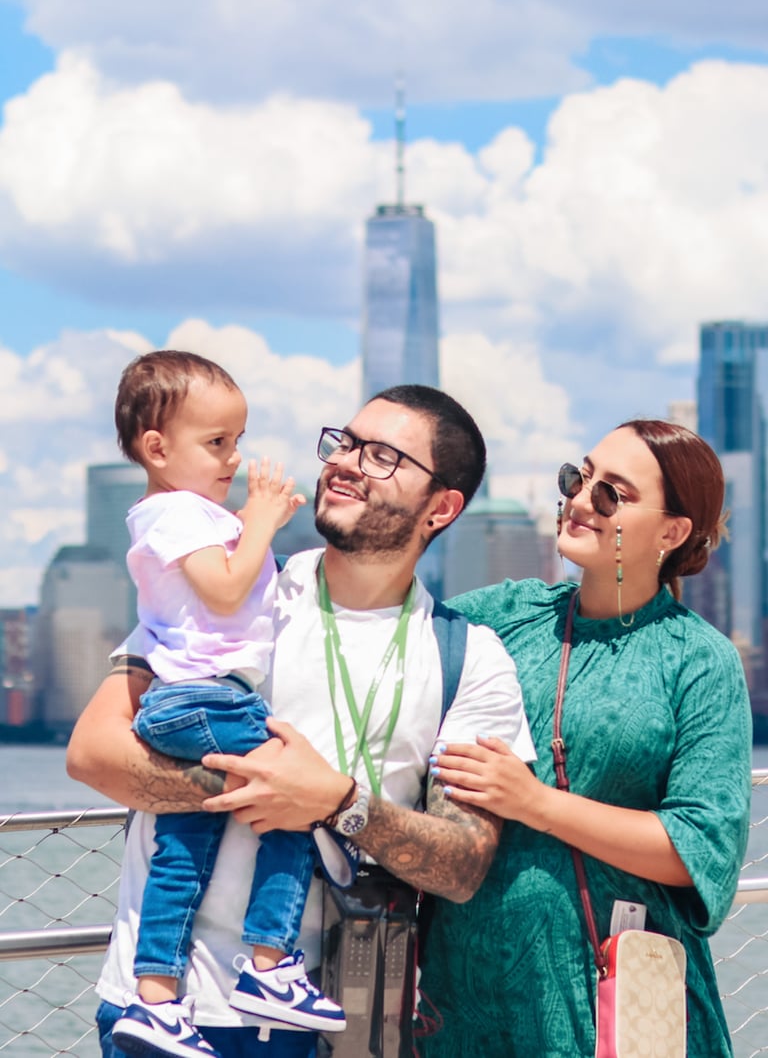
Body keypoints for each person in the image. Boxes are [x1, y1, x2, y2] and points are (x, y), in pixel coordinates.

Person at [67, 383, 537, 1058]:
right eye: (344, 442)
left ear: (442, 507)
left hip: (336, 1024)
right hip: (165, 1017)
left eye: (381, 456)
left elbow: (461, 865)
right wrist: (265, 790)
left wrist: (339, 803)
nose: (344, 461)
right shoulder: (229, 593)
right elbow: (92, 754)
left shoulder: (470, 657)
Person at [419, 419, 753, 1057]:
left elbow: (699, 848)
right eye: (578, 477)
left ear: (673, 532)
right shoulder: (502, 615)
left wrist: (534, 803)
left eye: (611, 494)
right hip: (462, 1000)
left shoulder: (699, 659)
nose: (579, 499)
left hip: (614, 1011)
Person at [106, 350, 345, 1058]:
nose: (233, 458)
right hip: (209, 699)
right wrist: (261, 520)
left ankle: (156, 999)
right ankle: (270, 963)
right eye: (216, 442)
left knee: (182, 853)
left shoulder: (175, 514)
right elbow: (226, 588)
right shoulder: (179, 513)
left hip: (180, 704)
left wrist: (248, 523)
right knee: (296, 803)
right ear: (157, 448)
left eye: (236, 440)